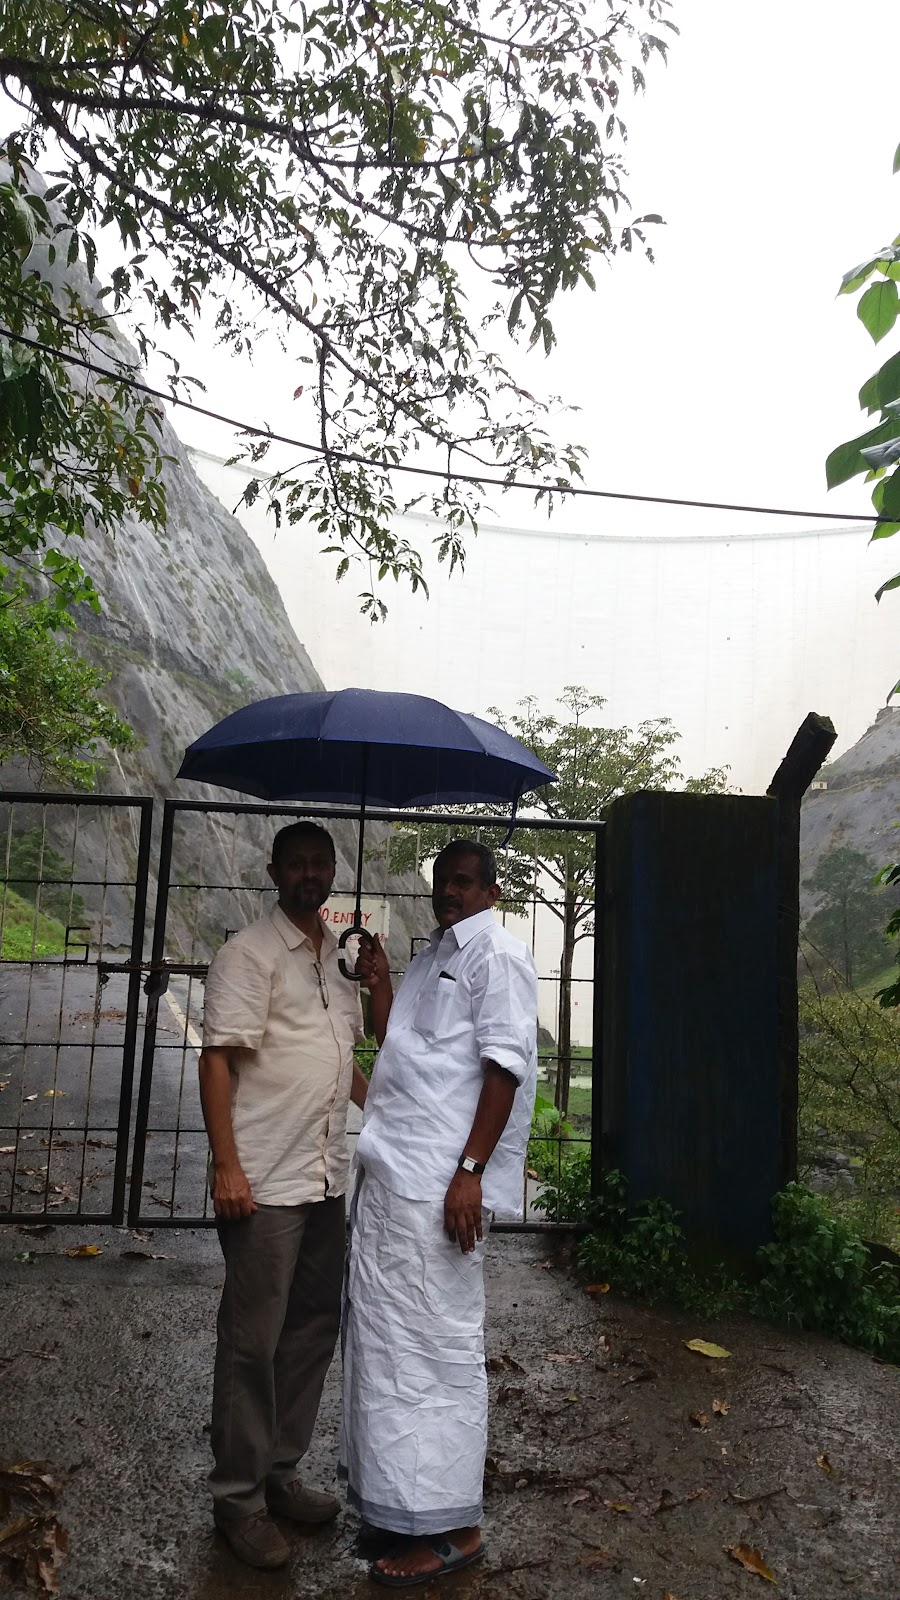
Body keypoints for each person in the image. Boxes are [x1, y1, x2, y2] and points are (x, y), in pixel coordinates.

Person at [340, 838, 538, 1587]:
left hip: (440, 1192)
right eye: (442, 882)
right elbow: (401, 1048)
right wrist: (382, 981)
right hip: (394, 1182)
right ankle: (399, 1508)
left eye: (462, 881)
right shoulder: (433, 955)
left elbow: (505, 1068)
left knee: (438, 1354)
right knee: (390, 1352)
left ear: (490, 889)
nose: (449, 891)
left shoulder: (497, 958)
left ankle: (455, 1527)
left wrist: (471, 1173)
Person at [198, 820, 369, 1570]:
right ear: (273, 872)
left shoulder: (340, 960)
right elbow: (217, 1062)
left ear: (332, 873)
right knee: (251, 1343)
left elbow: (344, 1062)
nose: (308, 874)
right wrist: (226, 1166)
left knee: (308, 1331)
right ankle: (237, 1501)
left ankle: (279, 1472)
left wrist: (392, 1122)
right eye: (295, 863)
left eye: (319, 863)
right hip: (264, 1181)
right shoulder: (248, 954)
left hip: (326, 1175)